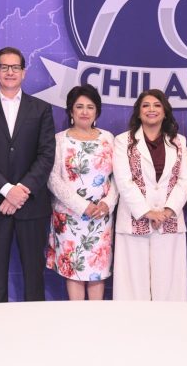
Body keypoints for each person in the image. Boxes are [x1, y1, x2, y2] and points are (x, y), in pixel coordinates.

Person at [0, 46, 56, 302]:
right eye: (4, 67)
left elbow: (46, 154)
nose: (10, 72)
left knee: (33, 275)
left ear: (24, 72)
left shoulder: (41, 109)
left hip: (32, 205)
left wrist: (22, 190)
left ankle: (35, 335)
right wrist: (7, 190)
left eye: (15, 67)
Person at [112, 89, 187, 301]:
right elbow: (124, 182)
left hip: (169, 222)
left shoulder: (179, 142)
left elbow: (184, 181)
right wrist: (147, 212)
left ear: (165, 111)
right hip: (133, 221)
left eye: (157, 105)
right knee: (131, 287)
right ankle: (131, 330)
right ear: (138, 112)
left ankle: (168, 330)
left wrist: (167, 211)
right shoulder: (123, 141)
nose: (151, 109)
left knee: (170, 286)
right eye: (145, 105)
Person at [46, 84, 118, 300]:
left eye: (90, 107)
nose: (85, 112)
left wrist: (108, 203)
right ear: (71, 111)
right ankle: (77, 322)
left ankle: (96, 324)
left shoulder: (108, 138)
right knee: (74, 271)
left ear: (97, 111)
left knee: (98, 271)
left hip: (101, 218)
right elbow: (53, 179)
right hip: (70, 217)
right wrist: (83, 206)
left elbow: (117, 177)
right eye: (79, 107)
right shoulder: (60, 139)